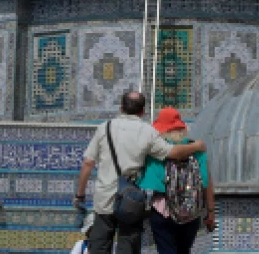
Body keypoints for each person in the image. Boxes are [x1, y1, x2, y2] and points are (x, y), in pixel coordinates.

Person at [74, 92, 206, 254]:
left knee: (100, 245)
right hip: (131, 201)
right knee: (127, 245)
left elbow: (88, 163)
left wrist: (80, 195)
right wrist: (196, 146)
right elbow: (173, 153)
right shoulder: (147, 132)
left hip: (104, 199)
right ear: (142, 111)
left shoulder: (104, 128)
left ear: (121, 107)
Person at [139, 107, 216, 254]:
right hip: (191, 211)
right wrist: (211, 212)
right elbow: (206, 182)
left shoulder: (155, 150)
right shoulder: (197, 150)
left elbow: (145, 180)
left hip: (162, 209)